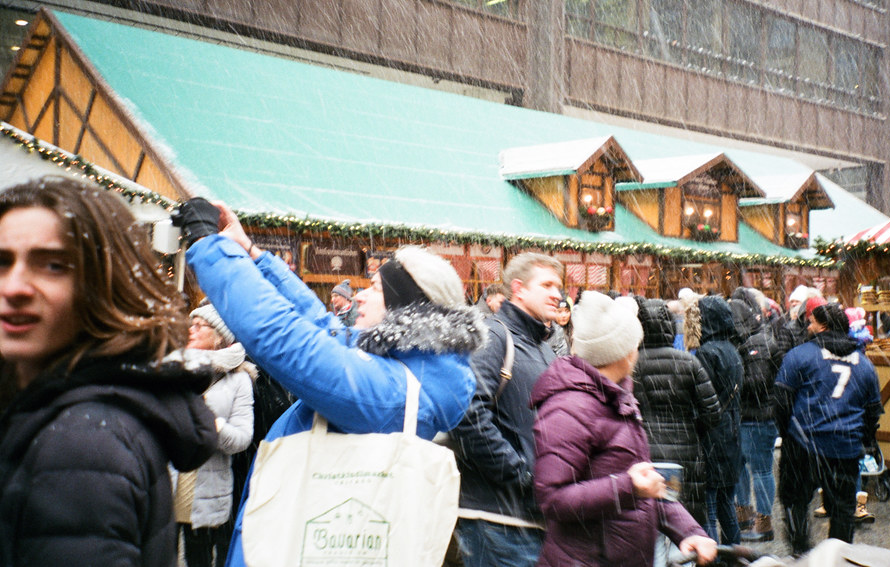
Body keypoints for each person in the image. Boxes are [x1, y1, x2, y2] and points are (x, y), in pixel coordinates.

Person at [170, 198, 486, 567]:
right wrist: (252, 254)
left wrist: (209, 246)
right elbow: (323, 327)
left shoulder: (392, 391)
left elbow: (283, 338)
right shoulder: (406, 368)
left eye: (376, 288)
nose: (361, 295)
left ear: (404, 308)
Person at [0, 177, 218, 566]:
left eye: (53, 266)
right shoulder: (53, 408)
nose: (14, 286)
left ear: (106, 285)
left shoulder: (80, 443)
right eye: (2, 262)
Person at [531, 291, 718, 567]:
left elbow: (644, 485)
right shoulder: (568, 408)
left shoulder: (618, 397)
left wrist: (688, 530)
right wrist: (627, 486)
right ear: (624, 353)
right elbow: (553, 498)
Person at [448, 252, 564, 567]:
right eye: (547, 285)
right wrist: (520, 475)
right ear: (519, 289)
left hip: (530, 518)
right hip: (495, 520)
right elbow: (467, 415)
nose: (557, 294)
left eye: (559, 286)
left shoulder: (544, 348)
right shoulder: (493, 335)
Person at [774, 303, 882, 556]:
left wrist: (788, 433)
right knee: (842, 510)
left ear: (823, 326)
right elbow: (872, 411)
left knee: (794, 502)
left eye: (812, 322)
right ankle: (838, 556)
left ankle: (800, 553)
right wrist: (864, 440)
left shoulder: (800, 355)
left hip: (803, 444)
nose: (808, 326)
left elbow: (781, 400)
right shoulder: (864, 364)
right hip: (845, 447)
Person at [633, 296, 721, 567]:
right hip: (685, 454)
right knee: (684, 527)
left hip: (644, 453)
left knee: (652, 526)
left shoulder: (631, 364)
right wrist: (691, 430)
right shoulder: (688, 363)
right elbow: (712, 412)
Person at [174, 305, 256, 567]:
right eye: (191, 324)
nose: (191, 330)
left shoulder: (238, 380)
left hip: (206, 494)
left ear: (219, 336)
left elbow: (242, 438)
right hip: (165, 487)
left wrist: (211, 423)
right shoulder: (174, 368)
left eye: (199, 326)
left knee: (199, 559)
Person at [729, 287, 784, 542]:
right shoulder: (752, 338)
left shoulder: (758, 342)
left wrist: (732, 385)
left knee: (761, 470)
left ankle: (764, 523)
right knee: (740, 466)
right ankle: (744, 514)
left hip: (759, 417)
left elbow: (758, 381)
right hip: (748, 415)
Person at [693, 295, 744, 545]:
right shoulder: (733, 350)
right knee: (726, 505)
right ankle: (735, 554)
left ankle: (712, 558)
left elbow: (702, 399)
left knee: (709, 509)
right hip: (732, 433)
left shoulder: (706, 353)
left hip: (712, 436)